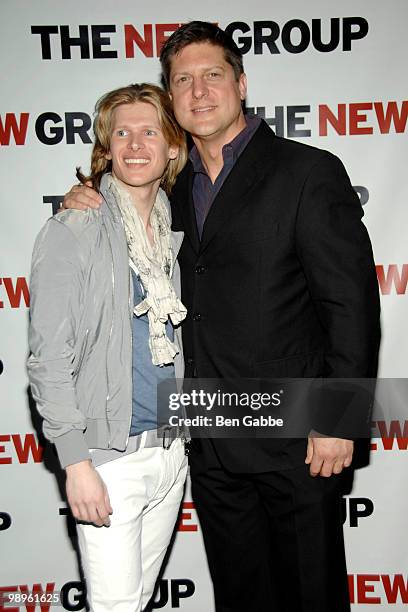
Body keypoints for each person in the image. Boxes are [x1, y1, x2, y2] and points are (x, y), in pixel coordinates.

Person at [62, 22, 381, 612]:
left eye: (212, 75)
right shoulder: (167, 188)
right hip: (207, 435)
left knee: (310, 593)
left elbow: (351, 304)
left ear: (241, 83)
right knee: (240, 595)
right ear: (171, 94)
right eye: (182, 80)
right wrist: (89, 195)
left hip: (298, 436)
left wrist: (339, 417)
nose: (199, 91)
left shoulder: (307, 171)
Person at [27, 83, 189, 612]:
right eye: (122, 132)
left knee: (134, 604)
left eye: (150, 131)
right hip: (108, 463)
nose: (136, 144)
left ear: (172, 147)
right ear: (106, 147)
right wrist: (76, 465)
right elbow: (48, 358)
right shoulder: (74, 228)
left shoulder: (170, 231)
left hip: (170, 454)